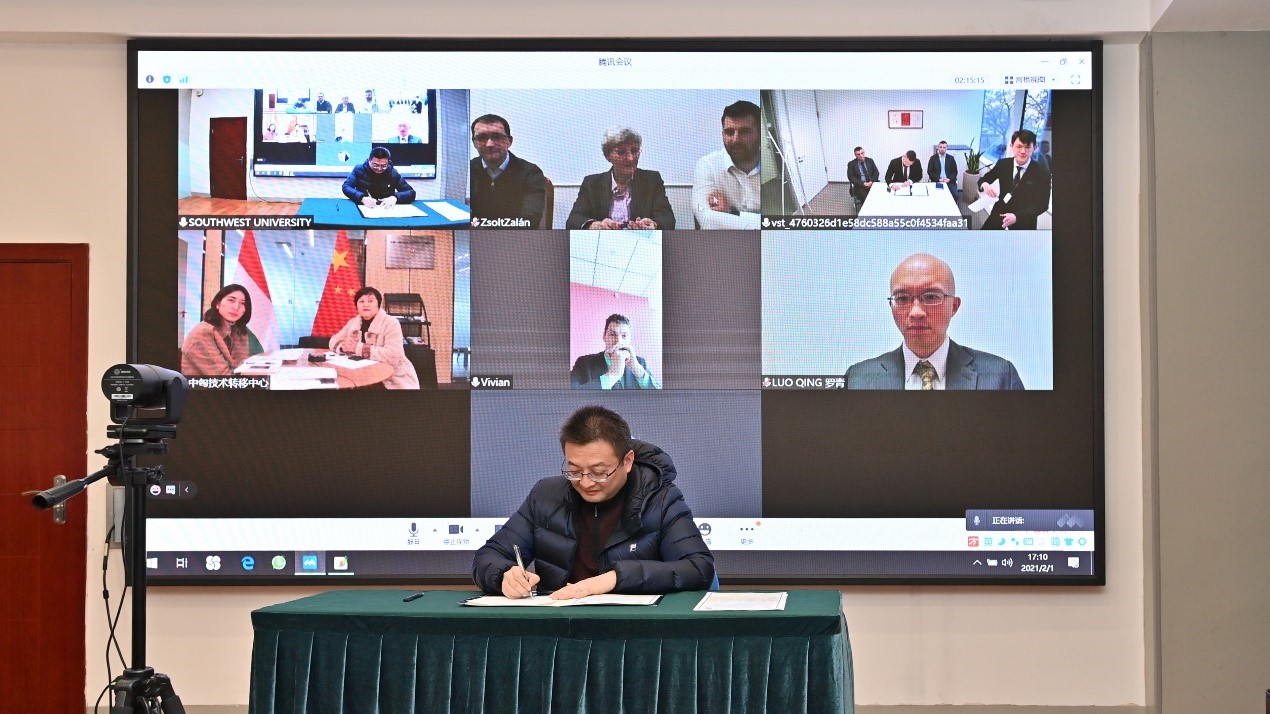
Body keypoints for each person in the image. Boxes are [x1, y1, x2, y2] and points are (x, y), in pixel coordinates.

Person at [471, 405, 714, 598]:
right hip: (559, 626)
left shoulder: (660, 498)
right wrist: (504, 575)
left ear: (627, 461)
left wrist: (616, 578)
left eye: (599, 472)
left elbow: (698, 568)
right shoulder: (546, 495)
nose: (586, 482)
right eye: (574, 470)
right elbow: (489, 556)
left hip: (635, 629)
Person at [845, 253, 1024, 390]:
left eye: (931, 297)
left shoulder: (1000, 375)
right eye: (902, 298)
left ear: (954, 306)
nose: (916, 312)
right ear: (891, 306)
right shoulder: (858, 378)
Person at [566, 128, 675, 230]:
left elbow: (668, 219)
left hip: (640, 241)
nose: (630, 158)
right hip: (603, 241)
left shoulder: (651, 180)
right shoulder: (592, 183)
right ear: (608, 156)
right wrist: (594, 225)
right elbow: (573, 220)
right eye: (621, 152)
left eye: (634, 151)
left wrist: (654, 224)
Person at [328, 286, 420, 389]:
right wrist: (343, 346)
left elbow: (394, 355)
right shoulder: (353, 322)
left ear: (378, 305)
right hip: (362, 375)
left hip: (391, 379)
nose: (365, 304)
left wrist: (358, 348)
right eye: (361, 301)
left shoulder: (391, 323)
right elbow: (333, 341)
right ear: (357, 306)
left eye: (370, 301)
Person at [468, 113, 547, 228]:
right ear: (474, 143)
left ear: (509, 141)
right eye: (482, 138)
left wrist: (480, 226)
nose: (489, 144)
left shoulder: (531, 173)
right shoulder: (466, 171)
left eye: (497, 137)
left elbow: (529, 221)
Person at [692, 100, 761, 229]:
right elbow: (703, 213)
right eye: (729, 132)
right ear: (723, 134)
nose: (735, 140)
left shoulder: (776, 172)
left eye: (745, 132)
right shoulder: (707, 165)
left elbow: (778, 223)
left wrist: (733, 213)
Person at [977, 129, 1052, 230]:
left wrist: (1017, 216)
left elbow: (1042, 204)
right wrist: (984, 184)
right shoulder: (1003, 164)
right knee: (984, 237)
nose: (1023, 151)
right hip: (1000, 212)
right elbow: (983, 180)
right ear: (1012, 146)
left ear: (1034, 148)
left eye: (1027, 147)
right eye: (1019, 146)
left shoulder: (1042, 173)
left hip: (1024, 220)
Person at [181, 284, 260, 376]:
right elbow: (223, 378)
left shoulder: (237, 330)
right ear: (218, 304)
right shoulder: (203, 334)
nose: (236, 307)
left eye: (242, 303)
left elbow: (242, 368)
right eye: (231, 300)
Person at [570, 313, 660, 390]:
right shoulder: (583, 363)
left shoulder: (640, 363)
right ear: (604, 336)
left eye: (624, 336)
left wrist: (637, 370)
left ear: (629, 339)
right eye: (613, 334)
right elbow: (571, 397)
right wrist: (613, 375)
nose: (618, 341)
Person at [341, 147, 416, 207]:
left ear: (388, 162)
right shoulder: (359, 169)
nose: (379, 169)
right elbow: (346, 187)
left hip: (386, 208)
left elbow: (411, 192)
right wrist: (362, 197)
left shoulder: (392, 172)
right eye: (375, 165)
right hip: (365, 207)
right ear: (369, 161)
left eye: (383, 166)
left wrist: (395, 197)